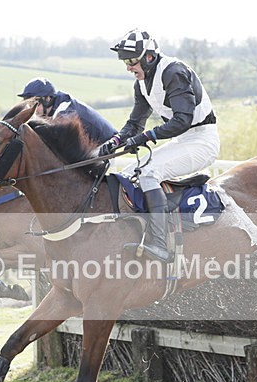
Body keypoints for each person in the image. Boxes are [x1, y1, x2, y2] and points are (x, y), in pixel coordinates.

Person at [100, 29, 220, 262]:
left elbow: (182, 120)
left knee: (149, 173)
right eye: (125, 61)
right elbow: (134, 124)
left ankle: (160, 244)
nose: (128, 67)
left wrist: (145, 137)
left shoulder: (173, 72)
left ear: (149, 57)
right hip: (184, 139)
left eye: (132, 61)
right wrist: (114, 141)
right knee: (127, 175)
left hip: (203, 140)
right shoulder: (142, 83)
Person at [18, 77, 117, 144]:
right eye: (28, 104)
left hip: (107, 145)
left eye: (34, 104)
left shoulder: (64, 113)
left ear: (47, 99)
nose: (31, 109)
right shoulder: (55, 106)